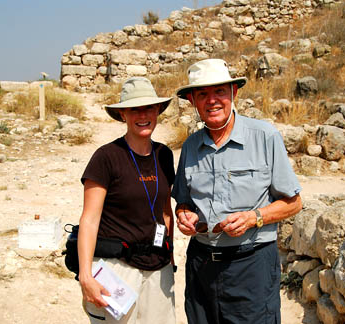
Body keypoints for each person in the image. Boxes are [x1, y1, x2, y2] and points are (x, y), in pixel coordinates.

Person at [172, 59, 302, 324]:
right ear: (192, 102)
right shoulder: (190, 146)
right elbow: (184, 202)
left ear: (234, 93)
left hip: (251, 267)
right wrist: (183, 215)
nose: (212, 101)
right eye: (202, 94)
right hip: (201, 267)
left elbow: (294, 202)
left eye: (220, 91)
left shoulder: (265, 136)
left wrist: (254, 217)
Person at [77, 77, 176, 324]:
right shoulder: (106, 157)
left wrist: (170, 256)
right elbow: (89, 219)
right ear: (123, 114)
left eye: (148, 108)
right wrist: (86, 276)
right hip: (118, 270)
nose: (143, 115)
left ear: (158, 111)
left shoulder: (164, 155)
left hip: (158, 267)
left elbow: (165, 211)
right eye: (135, 109)